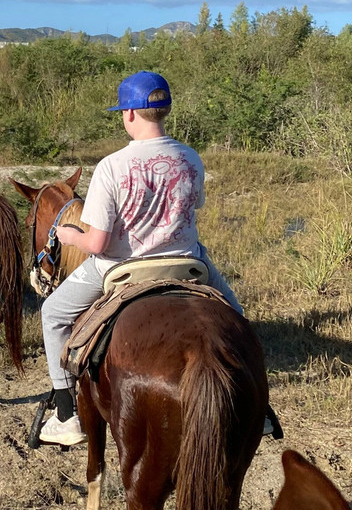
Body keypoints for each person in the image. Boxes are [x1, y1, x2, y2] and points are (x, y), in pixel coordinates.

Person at [37, 71, 243, 446]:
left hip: (120, 268)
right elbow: (191, 208)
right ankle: (255, 408)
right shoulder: (190, 158)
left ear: (130, 113)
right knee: (236, 314)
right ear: (163, 111)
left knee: (52, 313)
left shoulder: (111, 166)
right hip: (187, 263)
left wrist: (69, 235)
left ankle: (66, 413)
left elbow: (98, 243)